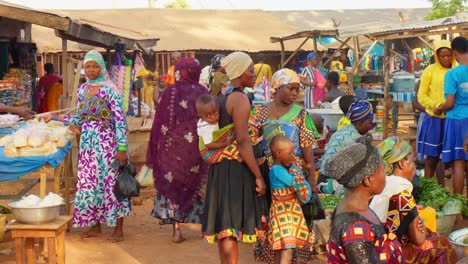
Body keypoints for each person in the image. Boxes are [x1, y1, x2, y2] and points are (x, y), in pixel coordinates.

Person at [44, 50, 130, 242]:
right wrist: (57, 117)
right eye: (88, 66)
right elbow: (79, 117)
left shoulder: (110, 90)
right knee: (90, 185)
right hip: (88, 145)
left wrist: (122, 148)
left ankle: (118, 229)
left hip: (108, 144)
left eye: (95, 66)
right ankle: (95, 226)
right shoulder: (83, 89)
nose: (91, 70)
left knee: (112, 184)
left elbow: (120, 120)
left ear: (101, 67)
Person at [202, 52, 267, 264]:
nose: (254, 74)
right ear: (239, 72)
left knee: (225, 227)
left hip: (221, 168)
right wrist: (258, 176)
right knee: (230, 225)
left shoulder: (221, 95)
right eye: (250, 70)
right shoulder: (239, 99)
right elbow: (243, 140)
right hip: (235, 169)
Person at [146, 58, 209, 243]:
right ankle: (205, 227)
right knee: (197, 185)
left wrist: (158, 148)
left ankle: (176, 229)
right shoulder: (202, 92)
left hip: (171, 149)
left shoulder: (169, 92)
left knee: (173, 185)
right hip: (195, 148)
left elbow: (160, 122)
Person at [370, 136, 458, 263]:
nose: (414, 168)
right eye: (412, 162)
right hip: (390, 254)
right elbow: (419, 239)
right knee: (442, 244)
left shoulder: (378, 187)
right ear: (401, 163)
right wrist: (421, 228)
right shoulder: (402, 193)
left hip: (375, 250)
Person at [326, 134, 403, 263]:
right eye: (383, 170)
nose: (386, 175)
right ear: (368, 180)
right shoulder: (356, 229)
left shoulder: (357, 207)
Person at [253, 68, 319, 184]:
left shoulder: (301, 113)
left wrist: (312, 177)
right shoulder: (259, 111)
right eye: (291, 88)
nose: (295, 93)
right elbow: (251, 140)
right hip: (266, 171)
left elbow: (307, 147)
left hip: (293, 173)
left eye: (297, 90)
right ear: (278, 88)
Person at [267, 135, 314, 264]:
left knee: (281, 249)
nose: (292, 156)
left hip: (286, 212)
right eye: (290, 153)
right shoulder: (278, 170)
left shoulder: (279, 169)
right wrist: (296, 169)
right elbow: (298, 185)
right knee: (286, 250)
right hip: (285, 214)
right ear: (278, 154)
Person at [417, 40, 456, 186]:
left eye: (448, 55)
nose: (446, 59)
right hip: (435, 118)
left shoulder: (458, 70)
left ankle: (442, 188)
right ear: (437, 56)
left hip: (453, 118)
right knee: (432, 157)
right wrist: (437, 105)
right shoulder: (430, 70)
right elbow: (421, 96)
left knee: (452, 158)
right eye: (442, 56)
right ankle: (428, 188)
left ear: (453, 54)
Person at [318, 100, 374, 194]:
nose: (370, 126)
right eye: (369, 123)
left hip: (322, 178)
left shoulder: (344, 130)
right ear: (360, 122)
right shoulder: (355, 139)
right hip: (331, 183)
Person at [435, 36, 468, 195]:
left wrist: (439, 109)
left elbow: (449, 103)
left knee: (459, 165)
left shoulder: (453, 74)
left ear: (455, 53)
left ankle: (459, 206)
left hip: (457, 121)